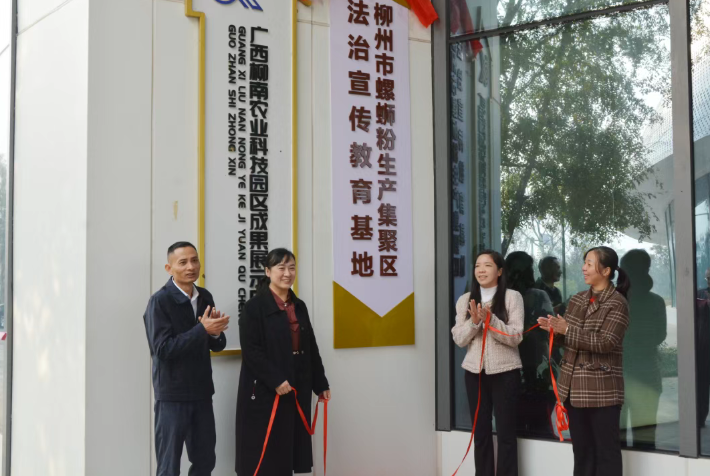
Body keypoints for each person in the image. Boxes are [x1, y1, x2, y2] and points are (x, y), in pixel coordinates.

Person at [235, 249, 330, 476]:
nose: (287, 273)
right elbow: (251, 351)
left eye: (292, 268)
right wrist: (276, 379)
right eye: (281, 268)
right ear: (268, 272)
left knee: (290, 446)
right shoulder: (254, 307)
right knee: (267, 449)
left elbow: (311, 347)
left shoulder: (299, 306)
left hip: (297, 383)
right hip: (267, 389)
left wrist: (320, 383)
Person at [539, 246, 630, 476]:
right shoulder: (578, 299)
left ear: (606, 271)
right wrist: (554, 330)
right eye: (585, 263)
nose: (584, 268)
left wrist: (567, 329)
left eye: (590, 263)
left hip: (602, 391)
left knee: (607, 455)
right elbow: (568, 340)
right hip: (573, 388)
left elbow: (606, 342)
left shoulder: (617, 302)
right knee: (582, 454)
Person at [143, 241, 230, 476]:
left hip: (202, 393)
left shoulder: (205, 297)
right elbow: (162, 349)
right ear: (169, 268)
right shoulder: (159, 301)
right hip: (172, 396)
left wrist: (216, 333)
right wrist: (202, 330)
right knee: (169, 466)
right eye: (183, 262)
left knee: (205, 462)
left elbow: (216, 345)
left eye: (194, 260)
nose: (191, 267)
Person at [451, 249, 525, 476]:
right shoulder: (465, 300)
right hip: (474, 373)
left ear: (500, 271)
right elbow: (459, 339)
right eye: (477, 266)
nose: (481, 270)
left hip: (506, 372)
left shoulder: (512, 297)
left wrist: (491, 320)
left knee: (506, 433)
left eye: (487, 265)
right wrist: (474, 323)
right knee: (481, 432)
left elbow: (516, 337)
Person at [505, 251, 555, 437]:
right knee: (541, 426)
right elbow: (549, 330)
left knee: (511, 427)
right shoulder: (539, 296)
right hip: (535, 366)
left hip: (508, 368)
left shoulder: (500, 298)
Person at [619, 249, 666, 448]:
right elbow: (660, 336)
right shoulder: (656, 302)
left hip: (617, 377)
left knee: (616, 441)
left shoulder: (614, 301)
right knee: (645, 440)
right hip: (647, 374)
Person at [696, 268, 710, 427]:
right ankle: (700, 418)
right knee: (702, 387)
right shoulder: (699, 294)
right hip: (703, 348)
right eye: (708, 277)